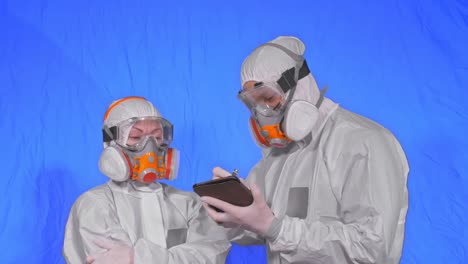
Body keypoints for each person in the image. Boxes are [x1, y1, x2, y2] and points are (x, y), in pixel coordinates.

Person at [201, 36, 409, 263]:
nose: (262, 113)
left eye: (268, 98)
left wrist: (276, 227)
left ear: (300, 85)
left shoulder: (363, 143)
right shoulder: (276, 158)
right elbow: (261, 228)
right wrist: (235, 217)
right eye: (253, 103)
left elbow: (371, 250)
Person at [63, 96, 230, 263]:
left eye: (157, 138)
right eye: (136, 137)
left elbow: (210, 253)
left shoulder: (188, 203)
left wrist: (136, 257)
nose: (149, 148)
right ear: (110, 143)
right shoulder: (94, 205)